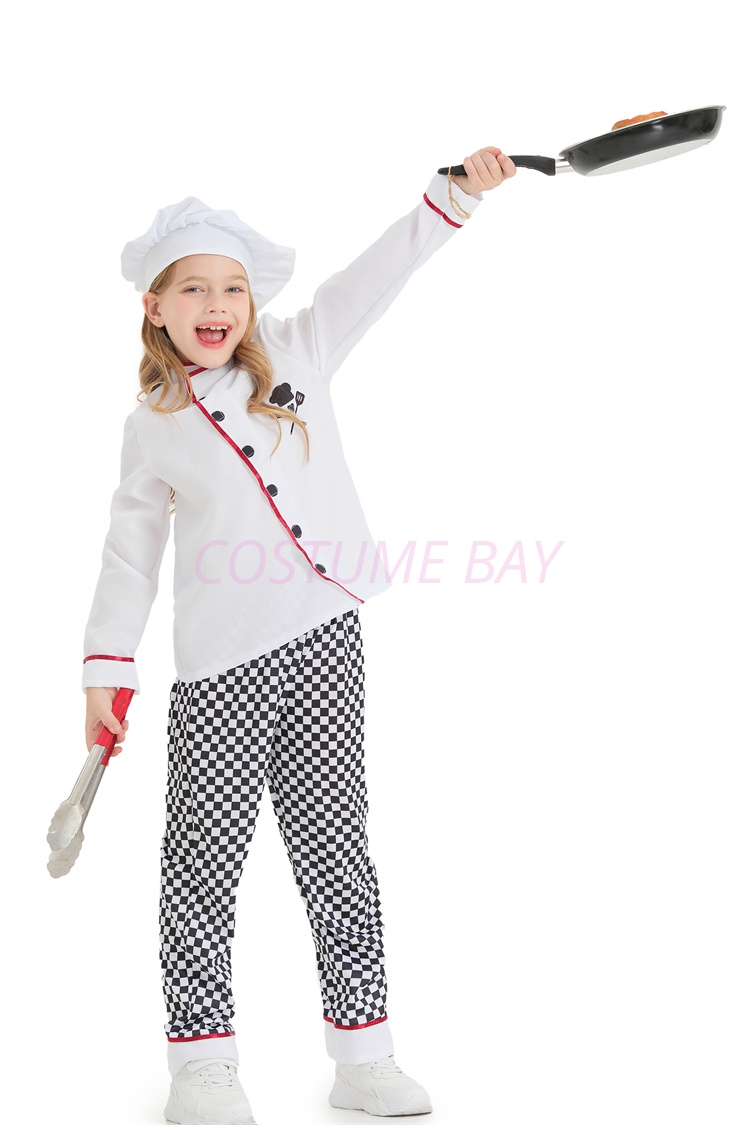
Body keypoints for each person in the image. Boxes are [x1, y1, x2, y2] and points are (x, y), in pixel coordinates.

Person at [82, 147, 516, 1125]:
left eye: (232, 287)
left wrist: (452, 195)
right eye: (195, 288)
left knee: (336, 848)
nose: (218, 303)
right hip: (219, 666)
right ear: (155, 307)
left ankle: (363, 1055)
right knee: (202, 861)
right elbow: (129, 553)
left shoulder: (301, 347)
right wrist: (106, 668)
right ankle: (202, 1064)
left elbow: (381, 272)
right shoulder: (153, 423)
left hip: (325, 639)